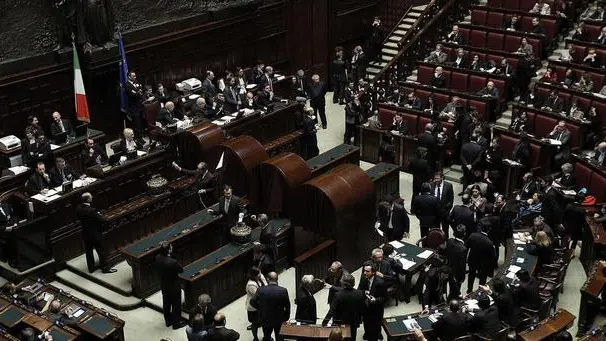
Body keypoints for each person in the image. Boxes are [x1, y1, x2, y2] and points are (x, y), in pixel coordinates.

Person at [76, 192, 116, 275]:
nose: (92, 197)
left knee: (89, 251)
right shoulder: (92, 210)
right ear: (88, 199)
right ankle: (105, 268)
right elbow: (101, 220)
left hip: (85, 233)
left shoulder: (79, 208)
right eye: (91, 197)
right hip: (94, 233)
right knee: (101, 250)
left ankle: (91, 268)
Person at [322, 273, 366, 341]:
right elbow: (362, 308)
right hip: (353, 321)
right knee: (352, 336)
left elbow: (332, 310)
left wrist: (324, 323)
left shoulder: (338, 295)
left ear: (343, 284)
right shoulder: (360, 293)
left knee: (341, 337)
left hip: (341, 322)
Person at [251, 272, 290, 341]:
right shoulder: (283, 290)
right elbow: (287, 305)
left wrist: (261, 308)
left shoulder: (261, 290)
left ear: (268, 279)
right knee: (279, 337)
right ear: (277, 279)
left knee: (267, 337)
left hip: (265, 317)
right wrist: (286, 317)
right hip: (279, 318)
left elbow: (252, 301)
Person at [156, 241, 185, 329]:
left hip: (164, 285)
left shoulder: (157, 257)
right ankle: (176, 324)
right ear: (169, 251)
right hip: (174, 286)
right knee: (176, 305)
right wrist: (172, 255)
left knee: (166, 303)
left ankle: (168, 321)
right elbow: (181, 270)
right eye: (170, 247)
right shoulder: (172, 262)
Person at [358, 261, 386, 341]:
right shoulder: (364, 278)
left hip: (377, 307)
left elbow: (384, 297)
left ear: (373, 272)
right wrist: (363, 292)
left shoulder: (380, 282)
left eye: (367, 271)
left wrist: (376, 300)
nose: (364, 273)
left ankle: (378, 333)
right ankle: (366, 333)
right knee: (366, 321)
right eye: (364, 270)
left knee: (377, 322)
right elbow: (359, 289)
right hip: (366, 305)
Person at [466, 222, 496, 293]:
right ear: (489, 230)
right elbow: (493, 256)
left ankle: (469, 290)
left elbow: (467, 246)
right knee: (482, 279)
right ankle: (480, 292)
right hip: (483, 264)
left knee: (471, 276)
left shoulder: (472, 235)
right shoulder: (489, 243)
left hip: (472, 260)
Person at [445, 225, 467, 298]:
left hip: (449, 267)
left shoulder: (450, 240)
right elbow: (462, 265)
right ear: (464, 234)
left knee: (452, 286)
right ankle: (452, 299)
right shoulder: (463, 248)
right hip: (457, 273)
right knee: (456, 288)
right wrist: (462, 277)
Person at [246, 267, 267, 341]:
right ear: (254, 275)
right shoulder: (251, 284)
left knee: (263, 321)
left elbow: (266, 285)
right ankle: (255, 338)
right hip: (254, 307)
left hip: (261, 305)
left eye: (260, 273)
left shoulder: (260, 277)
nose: (260, 275)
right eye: (258, 274)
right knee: (254, 323)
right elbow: (258, 296)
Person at [432, 172, 454, 238]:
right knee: (436, 229)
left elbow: (451, 200)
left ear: (442, 178)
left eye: (437, 178)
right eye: (435, 178)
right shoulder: (431, 185)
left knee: (445, 229)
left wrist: (447, 210)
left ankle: (445, 242)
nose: (436, 180)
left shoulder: (448, 185)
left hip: (444, 212)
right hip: (435, 212)